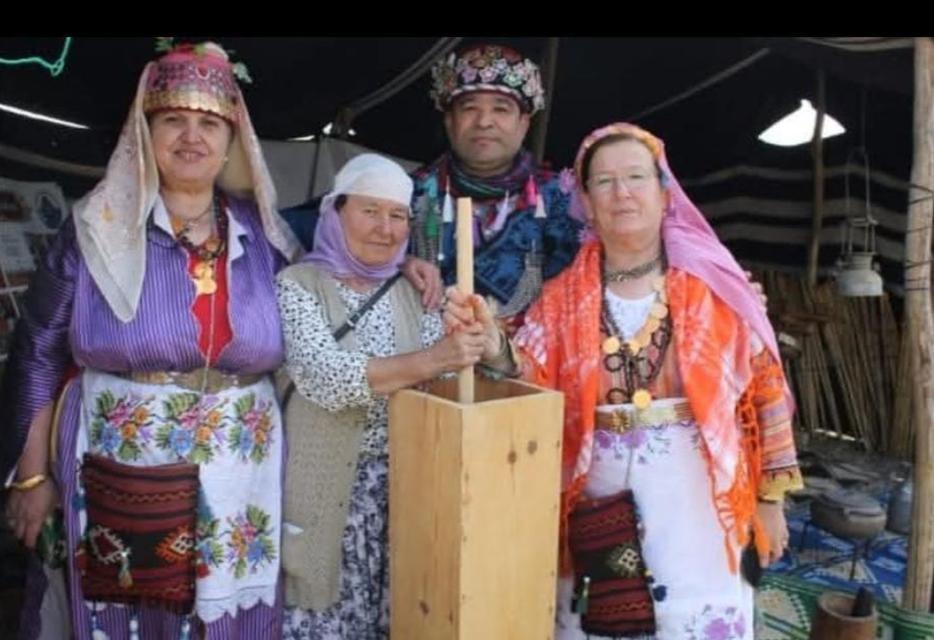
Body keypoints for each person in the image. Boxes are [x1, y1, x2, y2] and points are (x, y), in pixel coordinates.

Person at [443, 122, 803, 639]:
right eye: (604, 182)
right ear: (587, 203)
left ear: (664, 193)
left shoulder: (716, 287)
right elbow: (530, 375)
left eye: (636, 177)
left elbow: (763, 391)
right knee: (602, 624)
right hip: (599, 504)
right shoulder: (561, 298)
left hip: (699, 507)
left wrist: (770, 501)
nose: (622, 193)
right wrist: (492, 340)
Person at [1, 41, 302, 639]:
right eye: (173, 121)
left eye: (209, 124)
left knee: (231, 618)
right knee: (129, 610)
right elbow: (38, 350)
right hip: (120, 465)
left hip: (242, 474)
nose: (191, 137)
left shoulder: (268, 236)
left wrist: (412, 266)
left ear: (232, 140)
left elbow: (349, 258)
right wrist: (33, 479)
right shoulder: (95, 230)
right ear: (145, 134)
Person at [276, 153, 506, 639]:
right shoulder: (298, 286)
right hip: (326, 498)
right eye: (370, 211)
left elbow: (472, 368)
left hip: (407, 497)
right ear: (335, 212)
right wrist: (433, 359)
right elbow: (327, 379)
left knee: (404, 619)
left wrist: (487, 342)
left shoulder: (416, 291)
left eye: (398, 215)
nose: (385, 228)